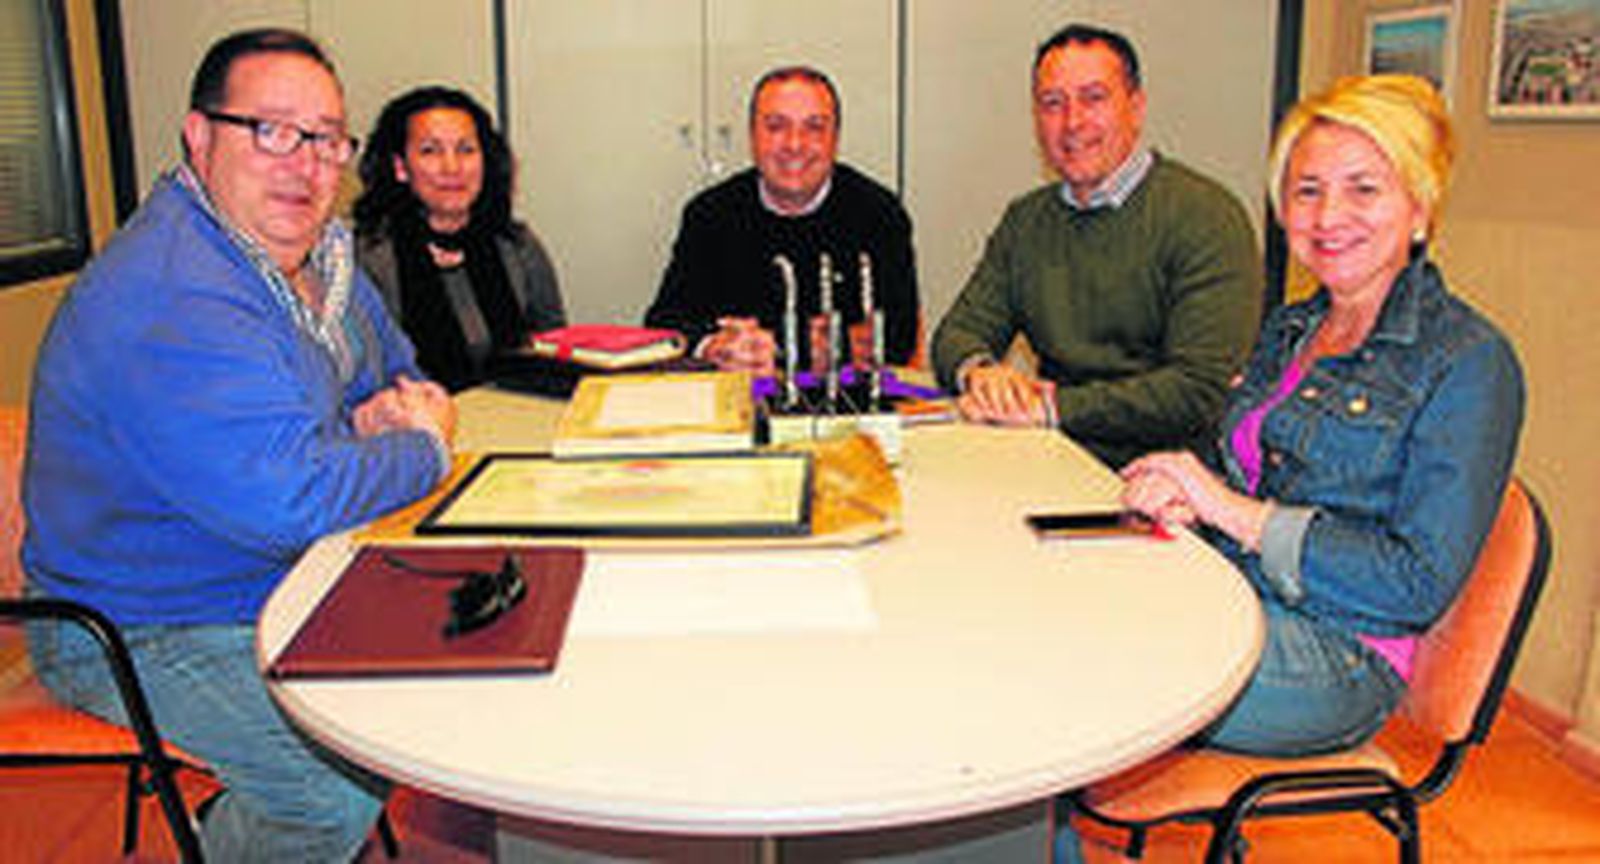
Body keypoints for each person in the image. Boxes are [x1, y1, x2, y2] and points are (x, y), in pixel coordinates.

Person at [1057, 75, 1525, 861]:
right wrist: (1184, 484)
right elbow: (1236, 460)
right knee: (1046, 605)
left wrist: (1228, 510)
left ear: (1420, 203)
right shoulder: (1294, 324)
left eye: (1363, 188)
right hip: (1232, 591)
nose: (1328, 216)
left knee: (1073, 676)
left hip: (1344, 652)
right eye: (1306, 190)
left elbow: (1414, 584)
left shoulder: (1470, 361)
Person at [21, 28, 455, 862]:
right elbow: (289, 501)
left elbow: (397, 374)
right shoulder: (174, 292)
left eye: (328, 139)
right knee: (327, 791)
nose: (307, 163)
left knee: (471, 642)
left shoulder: (318, 252)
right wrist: (423, 450)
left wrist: (373, 427)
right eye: (272, 130)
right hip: (147, 620)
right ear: (199, 135)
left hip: (281, 575)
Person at [931, 23, 1262, 468]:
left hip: (1166, 484)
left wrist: (1052, 408)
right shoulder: (1026, 221)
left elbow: (1199, 389)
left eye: (1094, 98)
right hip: (1051, 459)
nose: (1073, 122)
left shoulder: (1207, 216)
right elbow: (956, 334)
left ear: (1136, 107)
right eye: (1053, 104)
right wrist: (981, 374)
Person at [645, 65, 919, 374]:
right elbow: (664, 325)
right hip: (738, 403)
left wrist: (779, 346)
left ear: (835, 138)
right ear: (752, 136)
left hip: (847, 411)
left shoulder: (879, 214)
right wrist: (713, 346)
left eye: (814, 127)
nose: (794, 144)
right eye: (776, 126)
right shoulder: (710, 214)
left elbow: (898, 337)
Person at [353, 86, 566, 392]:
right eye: (430, 151)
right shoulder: (368, 259)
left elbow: (555, 351)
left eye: (466, 150)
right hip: (419, 429)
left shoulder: (517, 246)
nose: (452, 168)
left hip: (521, 419)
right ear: (400, 167)